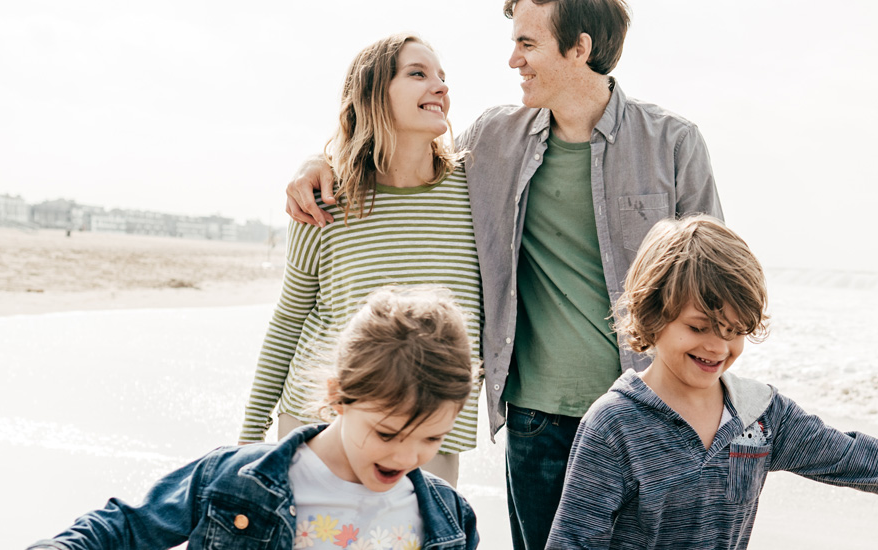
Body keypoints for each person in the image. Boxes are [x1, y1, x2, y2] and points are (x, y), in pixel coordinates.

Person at [282, 1, 722, 547]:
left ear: (579, 49)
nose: (512, 59)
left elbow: (713, 288)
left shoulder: (674, 143)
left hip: (650, 414)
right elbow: (405, 155)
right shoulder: (492, 139)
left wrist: (710, 409)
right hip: (537, 421)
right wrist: (315, 163)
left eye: (528, 44)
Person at [545, 216, 878, 549]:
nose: (717, 348)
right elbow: (572, 542)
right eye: (699, 328)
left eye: (734, 332)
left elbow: (864, 461)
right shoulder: (615, 425)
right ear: (653, 315)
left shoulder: (759, 416)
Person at [32, 286, 480, 550]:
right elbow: (126, 527)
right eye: (387, 433)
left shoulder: (449, 516)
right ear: (338, 397)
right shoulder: (235, 478)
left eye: (431, 439)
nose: (408, 455)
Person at [242, 33, 485, 487]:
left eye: (442, 78)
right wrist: (249, 440)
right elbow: (290, 319)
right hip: (319, 426)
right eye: (418, 74)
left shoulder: (477, 192)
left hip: (429, 437)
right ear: (372, 93)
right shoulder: (325, 199)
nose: (440, 87)